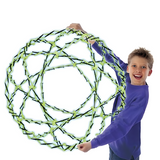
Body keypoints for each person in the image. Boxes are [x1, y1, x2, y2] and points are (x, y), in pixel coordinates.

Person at [67, 23, 154, 160]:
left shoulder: (140, 97)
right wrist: (83, 32)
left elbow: (121, 126)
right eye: (134, 66)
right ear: (127, 68)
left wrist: (93, 144)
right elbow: (108, 55)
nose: (138, 70)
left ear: (150, 72)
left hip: (125, 153)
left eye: (143, 67)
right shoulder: (125, 76)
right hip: (113, 143)